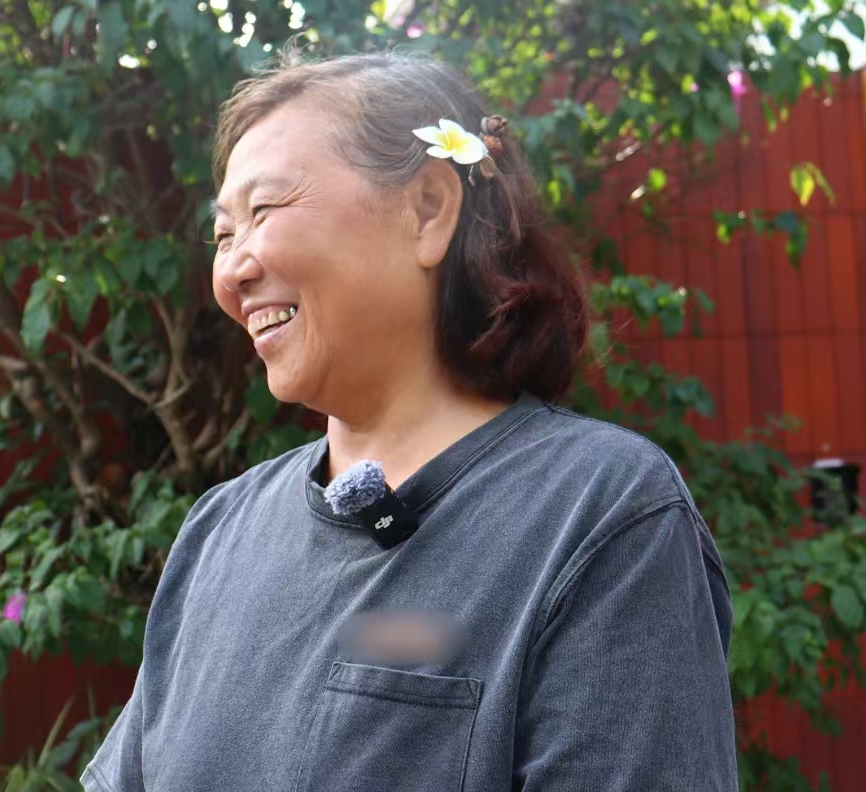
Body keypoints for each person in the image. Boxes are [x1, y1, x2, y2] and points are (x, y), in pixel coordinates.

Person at [82, 49, 736, 792]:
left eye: (263, 211)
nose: (233, 270)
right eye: (224, 234)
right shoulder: (219, 531)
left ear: (427, 209)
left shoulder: (599, 513)